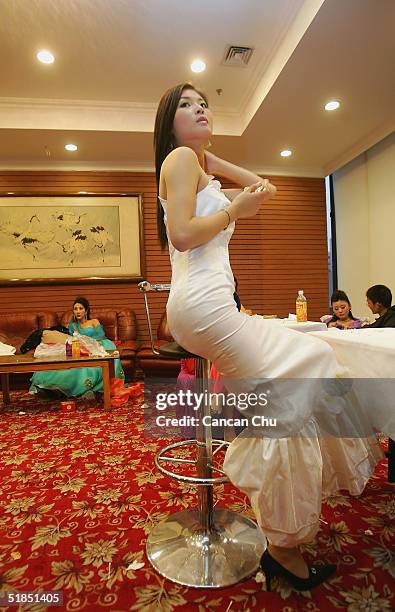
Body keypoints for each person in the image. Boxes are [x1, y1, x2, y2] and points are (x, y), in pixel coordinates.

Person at [154, 83, 382, 591]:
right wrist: (233, 208)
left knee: (290, 389)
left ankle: (282, 530)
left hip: (204, 307)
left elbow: (265, 187)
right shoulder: (178, 161)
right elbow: (184, 235)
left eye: (204, 103)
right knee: (309, 364)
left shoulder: (194, 162)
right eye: (187, 106)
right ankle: (283, 541)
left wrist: (212, 157)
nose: (201, 109)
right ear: (169, 121)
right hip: (205, 306)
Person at [30, 297, 123, 397]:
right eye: (75, 309)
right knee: (67, 363)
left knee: (91, 364)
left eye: (81, 308)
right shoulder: (72, 326)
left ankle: (88, 390)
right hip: (80, 347)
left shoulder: (94, 322)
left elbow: (101, 336)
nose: (78, 311)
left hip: (97, 345)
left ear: (86, 310)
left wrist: (89, 344)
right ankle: (52, 388)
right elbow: (71, 339)